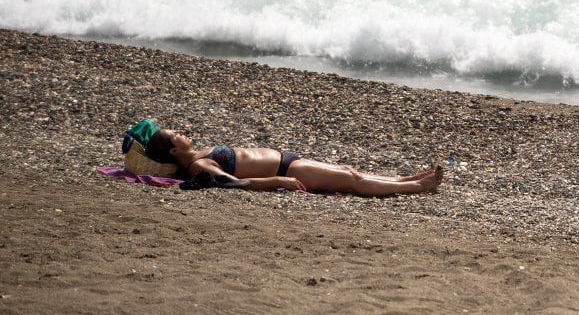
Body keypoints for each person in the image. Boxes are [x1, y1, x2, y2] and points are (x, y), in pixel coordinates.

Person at [144, 128, 443, 196]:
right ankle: (416, 187)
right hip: (286, 169)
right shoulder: (198, 166)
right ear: (173, 151)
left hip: (287, 159)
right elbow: (235, 184)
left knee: (348, 171)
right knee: (351, 180)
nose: (182, 133)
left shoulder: (199, 153)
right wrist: (278, 180)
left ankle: (405, 179)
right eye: (176, 135)